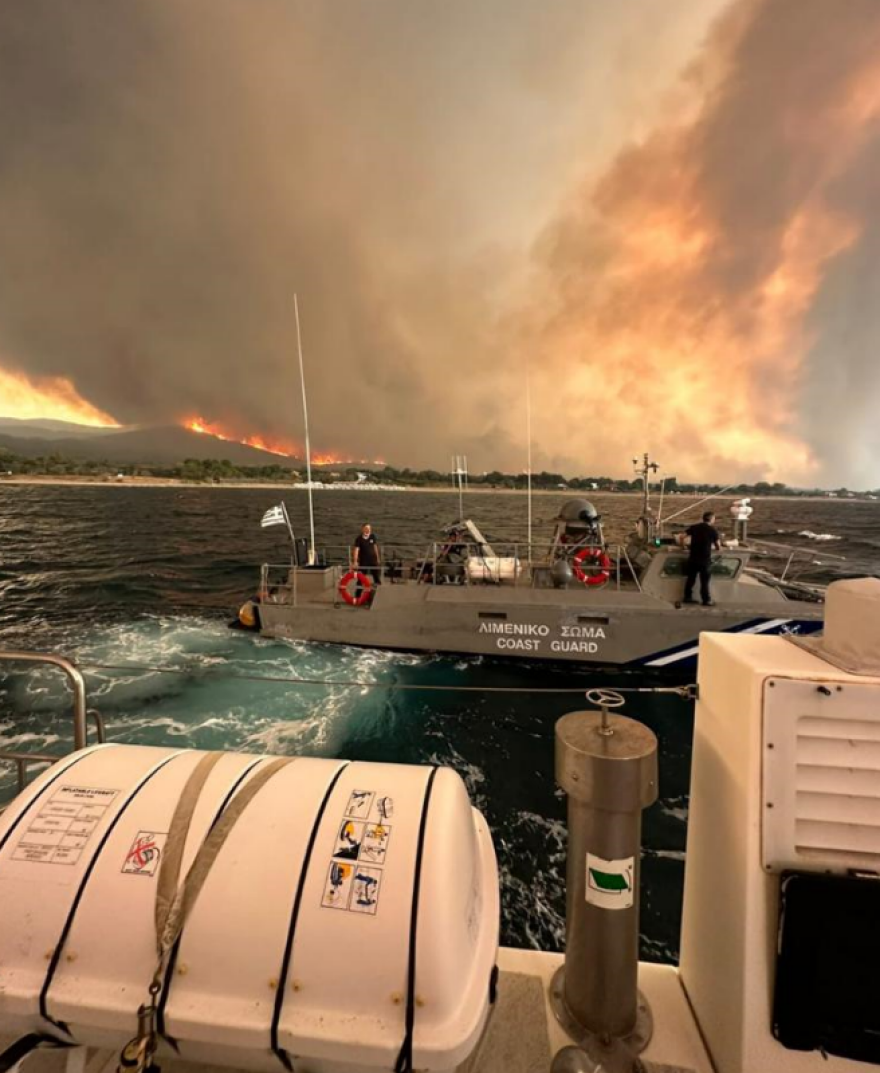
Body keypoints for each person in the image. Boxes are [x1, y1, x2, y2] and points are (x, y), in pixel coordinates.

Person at [682, 510, 721, 606]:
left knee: (690, 579)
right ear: (712, 519)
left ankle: (687, 597)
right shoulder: (713, 530)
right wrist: (716, 547)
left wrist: (684, 546)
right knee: (704, 582)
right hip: (704, 560)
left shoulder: (695, 527)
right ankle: (706, 600)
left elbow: (682, 536)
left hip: (693, 559)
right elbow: (718, 547)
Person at [352, 523, 381, 595]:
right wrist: (355, 561)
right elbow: (356, 550)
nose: (367, 530)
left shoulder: (372, 536)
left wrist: (377, 558)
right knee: (361, 579)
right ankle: (357, 595)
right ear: (362, 529)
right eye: (366, 528)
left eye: (369, 529)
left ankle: (378, 593)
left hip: (373, 560)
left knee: (376, 577)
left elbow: (375, 547)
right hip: (363, 561)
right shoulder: (359, 539)